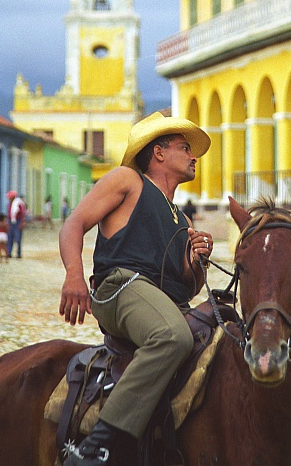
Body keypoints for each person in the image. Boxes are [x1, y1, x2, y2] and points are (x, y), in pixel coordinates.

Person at [59, 112, 213, 466]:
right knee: (172, 337)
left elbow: (188, 285)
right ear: (158, 153)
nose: (194, 157)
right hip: (121, 287)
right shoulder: (128, 180)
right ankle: (97, 445)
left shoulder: (183, 219)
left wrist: (198, 258)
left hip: (167, 300)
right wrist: (74, 276)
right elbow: (75, 223)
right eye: (185, 148)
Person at [6, 191, 26, 258]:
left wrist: (22, 223)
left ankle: (19, 253)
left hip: (18, 221)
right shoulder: (10, 204)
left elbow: (22, 214)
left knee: (18, 238)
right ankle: (9, 252)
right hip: (11, 221)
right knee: (10, 237)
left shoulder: (19, 203)